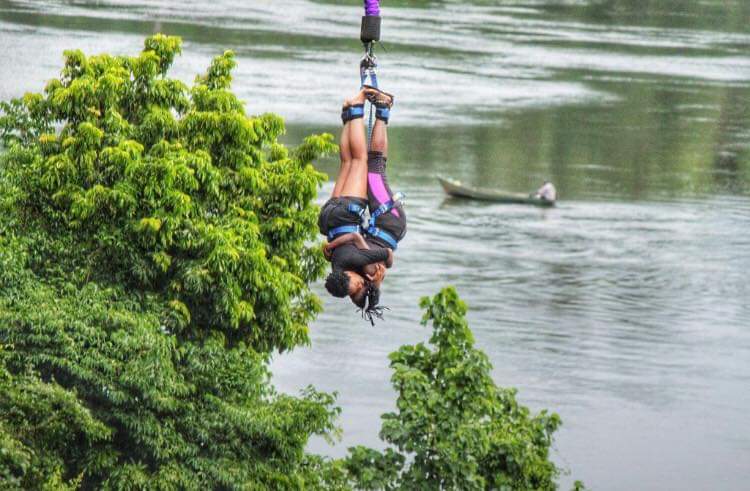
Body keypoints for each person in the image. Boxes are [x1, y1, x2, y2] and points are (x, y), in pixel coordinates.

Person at [317, 86, 406, 319]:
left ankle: (362, 108)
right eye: (356, 290)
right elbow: (382, 258)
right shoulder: (344, 267)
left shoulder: (362, 265)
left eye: (352, 289)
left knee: (365, 162)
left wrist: (376, 282)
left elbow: (386, 256)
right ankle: (352, 112)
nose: (354, 287)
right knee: (355, 163)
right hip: (378, 219)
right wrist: (376, 284)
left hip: (376, 218)